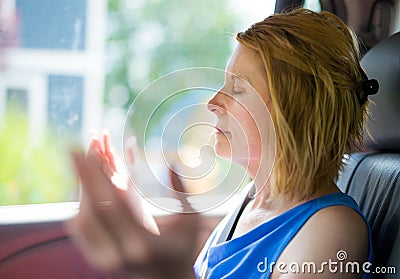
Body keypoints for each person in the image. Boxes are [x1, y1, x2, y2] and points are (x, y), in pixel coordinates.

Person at [67, 8, 378, 279]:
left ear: (295, 108)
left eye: (237, 89)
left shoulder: (332, 230)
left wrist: (168, 272)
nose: (213, 102)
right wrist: (137, 223)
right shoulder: (251, 202)